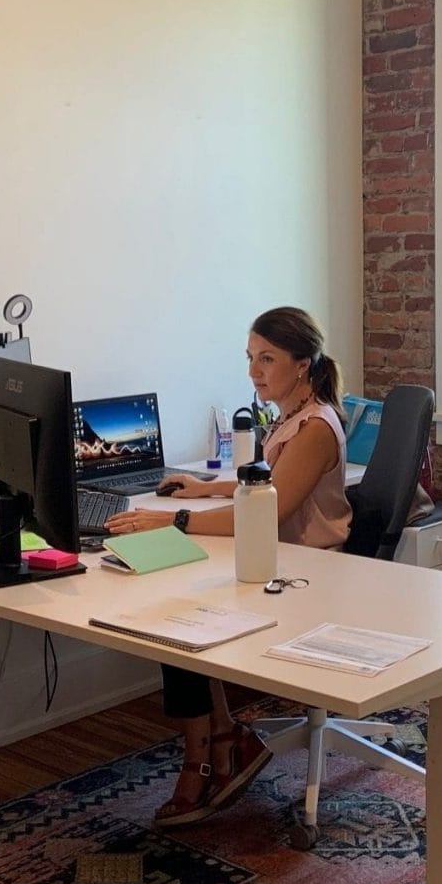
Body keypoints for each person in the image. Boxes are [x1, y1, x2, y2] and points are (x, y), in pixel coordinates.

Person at [105, 306, 352, 827]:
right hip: (273, 561)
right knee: (172, 606)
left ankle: (209, 746)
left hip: (305, 573)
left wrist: (174, 519)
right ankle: (222, 737)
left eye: (267, 359)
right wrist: (204, 489)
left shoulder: (315, 428)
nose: (254, 371)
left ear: (302, 363)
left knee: (176, 610)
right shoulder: (290, 416)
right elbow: (262, 483)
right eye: (250, 357)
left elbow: (265, 512)